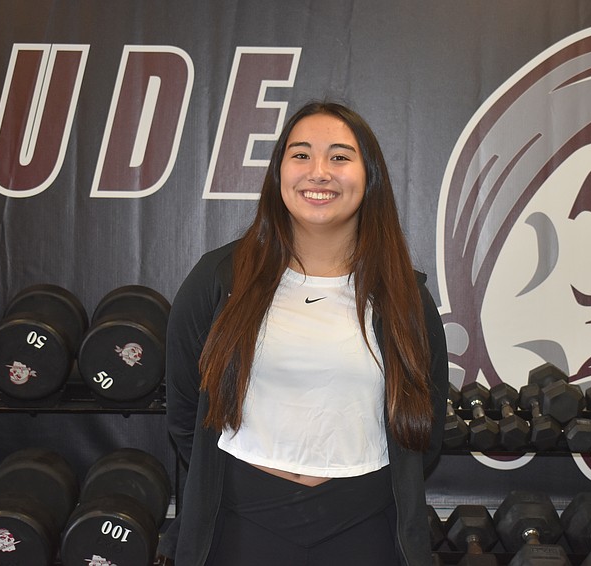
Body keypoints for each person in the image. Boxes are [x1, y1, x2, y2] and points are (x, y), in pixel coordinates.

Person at [158, 101, 448, 566]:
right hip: (240, 522)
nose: (319, 172)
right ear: (278, 174)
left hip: (367, 524)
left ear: (368, 176)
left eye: (339, 157)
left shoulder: (405, 295)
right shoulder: (218, 278)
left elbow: (425, 426)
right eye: (300, 155)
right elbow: (186, 413)